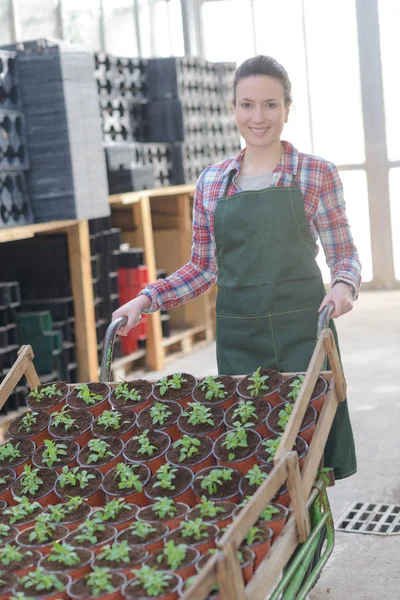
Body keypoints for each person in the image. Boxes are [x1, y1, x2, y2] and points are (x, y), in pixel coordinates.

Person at [112, 55, 361, 482]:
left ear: (287, 109)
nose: (258, 117)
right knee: (250, 456)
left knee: (309, 455)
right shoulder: (212, 181)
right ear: (233, 109)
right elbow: (202, 268)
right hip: (240, 337)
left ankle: (311, 534)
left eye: (270, 105)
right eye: (247, 105)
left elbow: (345, 256)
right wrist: (145, 298)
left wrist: (343, 287)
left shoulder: (315, 173)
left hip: (303, 332)